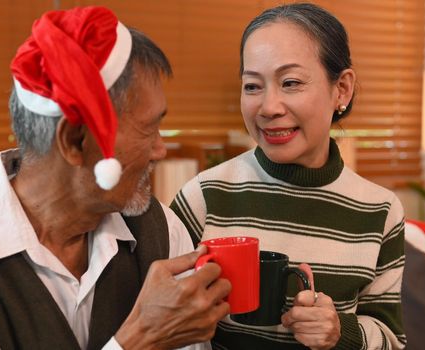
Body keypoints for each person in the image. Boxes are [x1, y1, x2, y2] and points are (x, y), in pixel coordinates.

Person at [0, 6, 231, 350]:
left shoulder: (161, 232)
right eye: (147, 128)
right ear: (74, 141)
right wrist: (139, 340)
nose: (160, 149)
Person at [170, 3, 406, 350]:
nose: (268, 107)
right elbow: (157, 316)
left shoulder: (380, 210)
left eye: (291, 82)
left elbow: (392, 340)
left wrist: (341, 331)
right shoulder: (204, 195)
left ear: (341, 89)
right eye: (252, 86)